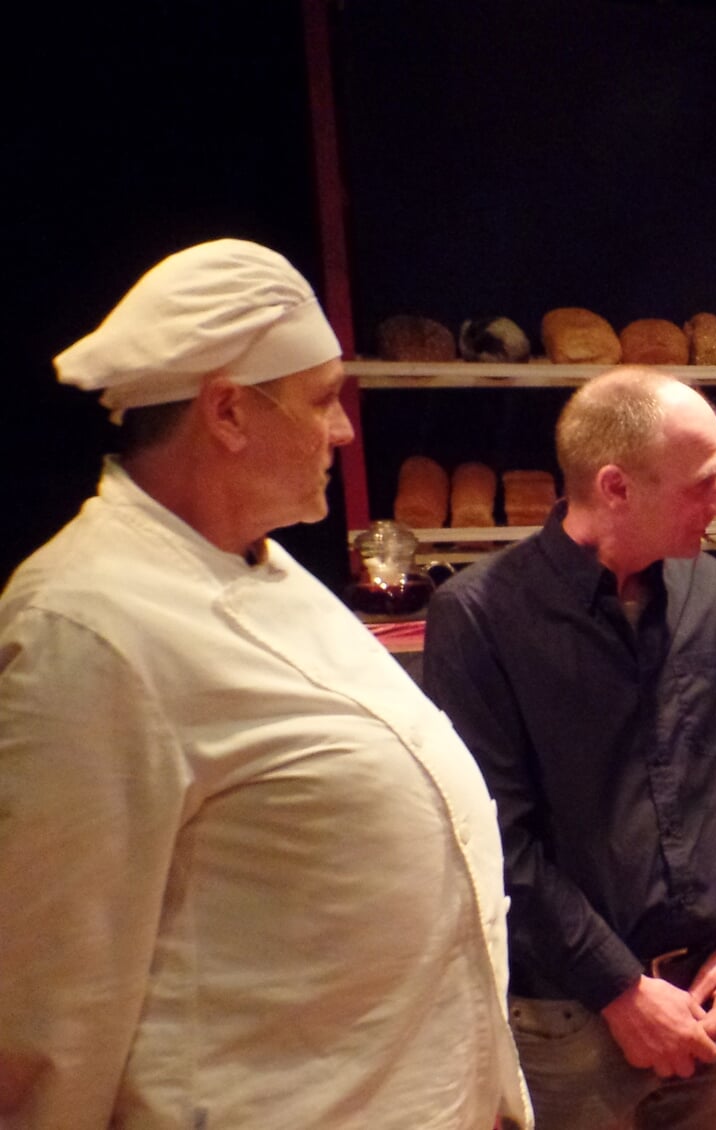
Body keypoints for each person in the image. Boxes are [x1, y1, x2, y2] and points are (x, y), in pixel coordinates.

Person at [0, 239, 528, 1128]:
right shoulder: (87, 628)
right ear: (229, 413)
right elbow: (49, 1012)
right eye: (323, 400)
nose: (345, 430)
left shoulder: (272, 572)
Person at [422, 368, 716, 1130]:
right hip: (570, 1024)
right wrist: (619, 989)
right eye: (703, 483)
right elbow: (496, 837)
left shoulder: (715, 593)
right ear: (615, 487)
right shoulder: (479, 617)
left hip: (714, 999)